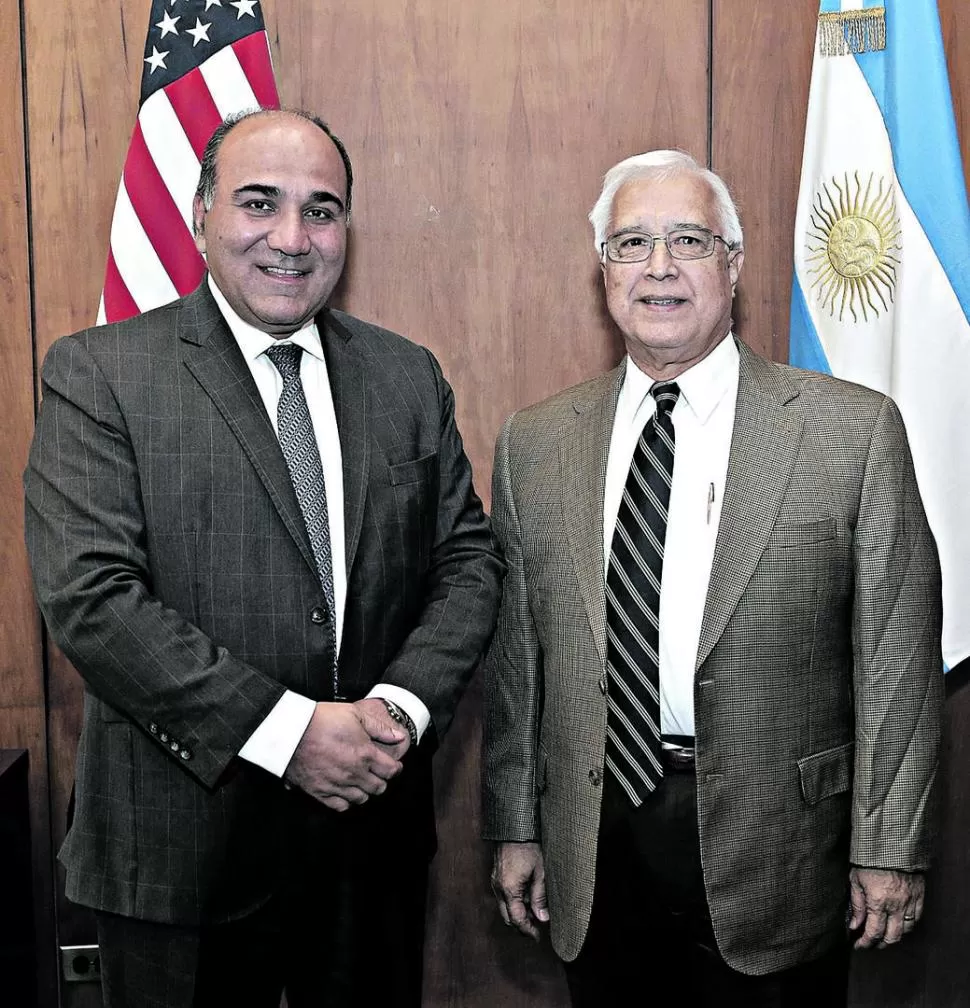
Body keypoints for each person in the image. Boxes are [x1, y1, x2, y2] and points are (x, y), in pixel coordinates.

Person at [25, 107, 504, 1008]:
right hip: (179, 856)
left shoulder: (405, 375)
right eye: (259, 203)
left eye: (321, 210)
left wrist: (397, 711)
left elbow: (468, 561)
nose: (292, 237)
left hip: (369, 850)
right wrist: (287, 734)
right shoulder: (101, 373)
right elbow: (92, 598)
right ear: (202, 213)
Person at [482, 149, 942, 1006]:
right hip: (595, 839)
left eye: (689, 240)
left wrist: (888, 845)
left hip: (784, 848)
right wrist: (514, 824)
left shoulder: (851, 433)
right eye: (631, 244)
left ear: (733, 264)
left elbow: (896, 661)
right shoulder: (534, 444)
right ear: (604, 271)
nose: (659, 266)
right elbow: (519, 664)